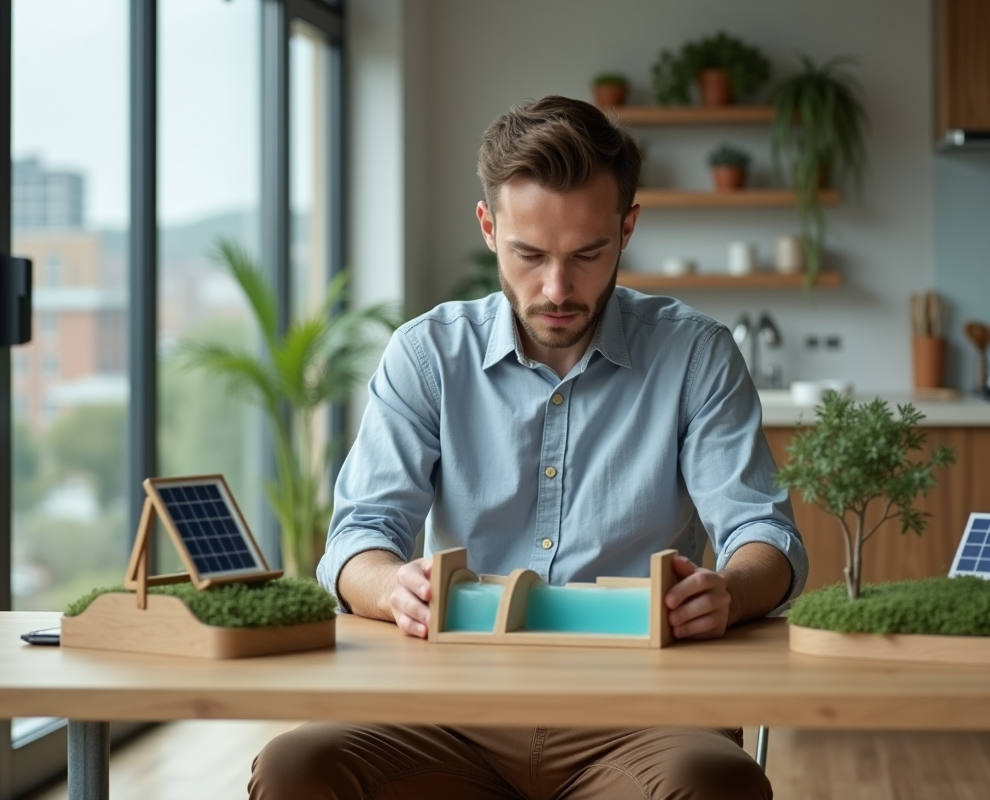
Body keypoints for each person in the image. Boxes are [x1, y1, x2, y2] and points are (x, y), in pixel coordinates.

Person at [249, 95, 807, 800]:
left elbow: (765, 535)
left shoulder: (696, 355)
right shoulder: (427, 355)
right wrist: (393, 588)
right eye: (529, 255)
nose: (556, 288)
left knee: (714, 784)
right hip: (447, 712)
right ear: (489, 228)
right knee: (296, 768)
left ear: (627, 228)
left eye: (587, 255)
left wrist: (727, 591)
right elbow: (358, 536)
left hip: (643, 715)